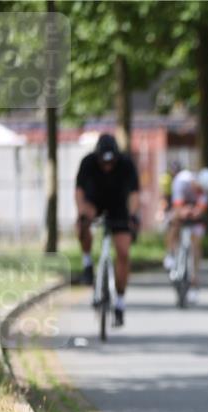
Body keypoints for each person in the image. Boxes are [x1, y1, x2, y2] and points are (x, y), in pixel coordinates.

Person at [74, 133, 140, 327]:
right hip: (95, 203)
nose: (107, 166)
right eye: (104, 163)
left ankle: (119, 301)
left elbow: (135, 194)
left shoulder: (126, 164)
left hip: (118, 207)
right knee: (82, 224)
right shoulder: (87, 163)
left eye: (111, 163)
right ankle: (87, 263)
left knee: (123, 252)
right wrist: (82, 213)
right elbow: (78, 192)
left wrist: (133, 216)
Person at [163, 167, 208, 304]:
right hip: (180, 206)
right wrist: (183, 212)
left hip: (193, 212)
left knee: (196, 243)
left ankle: (194, 281)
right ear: (196, 182)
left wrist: (194, 212)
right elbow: (178, 208)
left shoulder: (206, 190)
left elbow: (200, 210)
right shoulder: (181, 181)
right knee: (175, 221)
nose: (201, 193)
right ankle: (170, 254)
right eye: (199, 190)